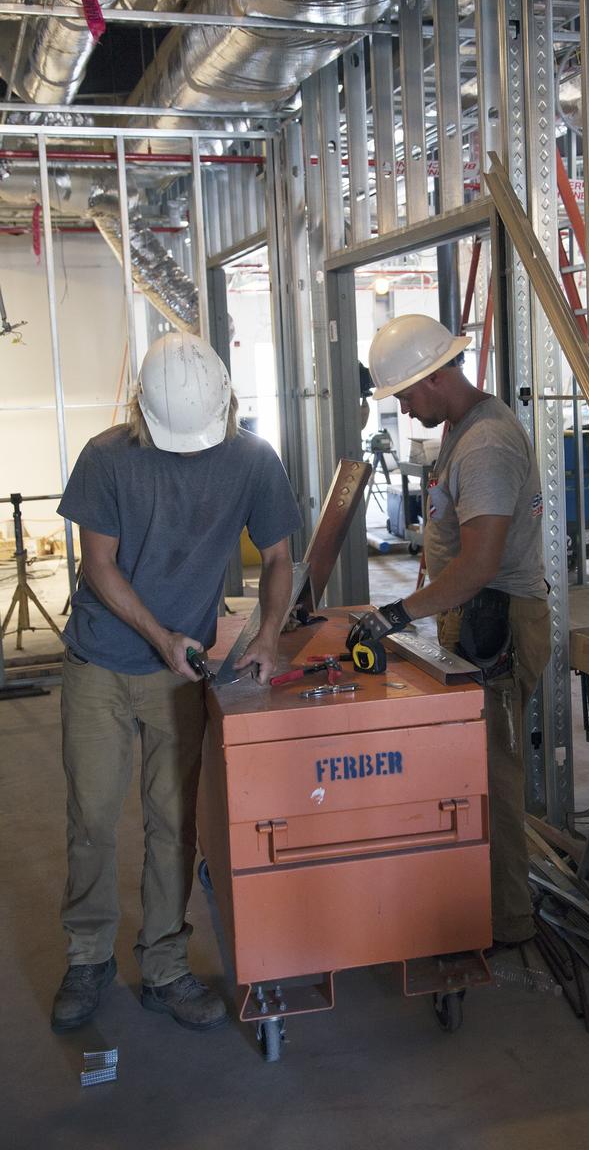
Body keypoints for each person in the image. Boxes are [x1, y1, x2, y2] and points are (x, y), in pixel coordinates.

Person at [51, 331, 301, 1033]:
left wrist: (269, 636)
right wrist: (162, 638)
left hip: (179, 677)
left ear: (226, 402)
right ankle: (88, 956)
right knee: (93, 820)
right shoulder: (107, 458)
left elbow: (280, 558)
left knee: (173, 824)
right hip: (101, 662)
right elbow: (99, 565)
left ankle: (163, 964)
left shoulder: (254, 460)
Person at [348, 314, 551, 947]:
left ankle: (509, 918)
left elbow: (481, 562)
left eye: (406, 395)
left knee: (494, 772)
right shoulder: (463, 429)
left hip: (499, 619)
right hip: (475, 612)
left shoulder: (485, 443)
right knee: (475, 768)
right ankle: (483, 896)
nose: (405, 411)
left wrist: (397, 614)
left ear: (437, 377)